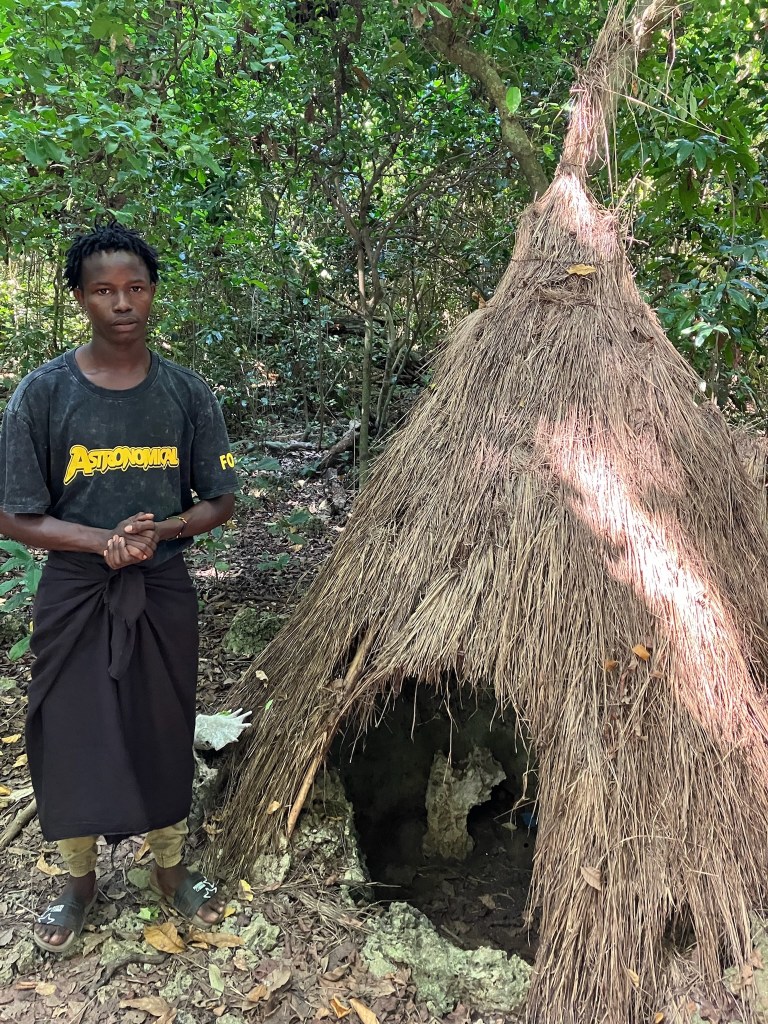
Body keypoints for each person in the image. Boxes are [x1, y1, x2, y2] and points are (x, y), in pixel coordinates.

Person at [0, 221, 238, 952]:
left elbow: (220, 501)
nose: (122, 302)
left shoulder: (187, 394)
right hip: (75, 592)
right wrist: (100, 542)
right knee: (70, 734)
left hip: (160, 588)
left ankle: (169, 870)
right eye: (104, 290)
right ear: (80, 298)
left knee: (160, 725)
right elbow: (14, 515)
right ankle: (76, 884)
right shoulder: (42, 395)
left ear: (153, 293)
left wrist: (158, 534)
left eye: (135, 287)